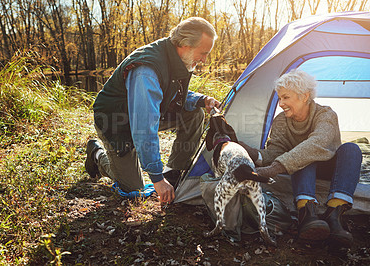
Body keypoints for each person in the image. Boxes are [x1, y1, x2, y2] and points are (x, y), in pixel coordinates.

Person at [85, 17, 220, 204]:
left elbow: (169, 91)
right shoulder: (146, 70)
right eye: (203, 53)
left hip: (139, 115)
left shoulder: (174, 56)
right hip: (117, 124)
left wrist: (201, 100)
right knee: (134, 189)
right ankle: (97, 154)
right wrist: (156, 178)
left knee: (195, 112)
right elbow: (143, 126)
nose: (205, 60)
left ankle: (174, 172)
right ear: (185, 44)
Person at [239, 69, 362, 247]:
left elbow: (317, 143)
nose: (280, 103)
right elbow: (276, 151)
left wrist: (274, 169)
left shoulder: (326, 114)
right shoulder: (281, 121)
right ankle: (307, 213)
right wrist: (251, 152)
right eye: (279, 98)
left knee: (351, 149)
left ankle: (335, 214)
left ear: (304, 96)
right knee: (301, 152)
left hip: (330, 167)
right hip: (303, 169)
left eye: (285, 97)